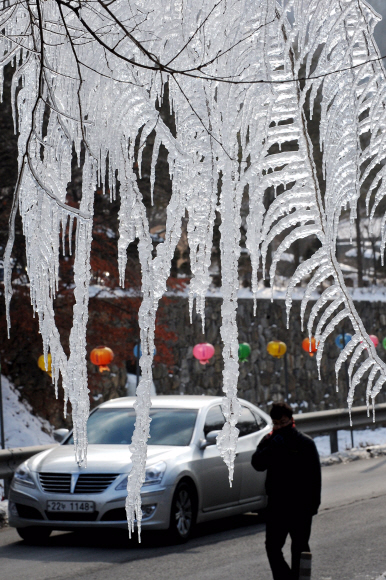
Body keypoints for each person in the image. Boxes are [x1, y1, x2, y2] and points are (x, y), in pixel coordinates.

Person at [251, 402, 321, 580]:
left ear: (291, 420)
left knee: (300, 548)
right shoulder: (270, 441)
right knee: (272, 547)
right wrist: (271, 448)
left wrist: (313, 504)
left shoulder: (305, 444)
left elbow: (315, 477)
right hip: (277, 505)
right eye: (276, 423)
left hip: (301, 506)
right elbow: (257, 463)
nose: (280, 427)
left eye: (283, 422)